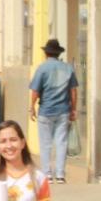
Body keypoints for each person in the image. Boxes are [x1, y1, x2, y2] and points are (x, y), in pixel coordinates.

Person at [29, 38, 79, 184]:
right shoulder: (68, 68)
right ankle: (60, 175)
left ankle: (47, 174)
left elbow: (35, 90)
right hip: (63, 111)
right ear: (58, 54)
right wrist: (74, 109)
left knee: (45, 143)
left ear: (46, 53)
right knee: (61, 142)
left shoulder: (42, 68)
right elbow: (73, 91)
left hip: (46, 110)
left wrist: (32, 107)